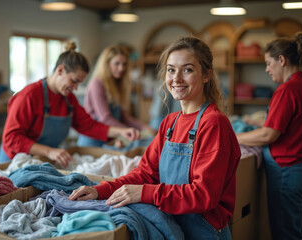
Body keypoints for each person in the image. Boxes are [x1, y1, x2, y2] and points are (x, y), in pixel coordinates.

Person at [69, 36, 241, 239]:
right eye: (171, 69)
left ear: (206, 75)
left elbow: (204, 196)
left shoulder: (213, 123)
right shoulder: (170, 122)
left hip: (203, 232)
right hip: (173, 227)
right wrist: (101, 190)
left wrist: (144, 193)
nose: (176, 78)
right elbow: (144, 174)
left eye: (187, 69)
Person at [0, 42, 140, 166]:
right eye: (74, 81)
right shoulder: (28, 96)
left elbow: (88, 126)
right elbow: (11, 138)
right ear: (60, 70)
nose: (76, 88)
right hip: (14, 162)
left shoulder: (68, 99)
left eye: (79, 83)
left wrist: (120, 131)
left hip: (40, 160)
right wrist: (49, 151)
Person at [236, 32, 302, 240]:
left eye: (268, 63)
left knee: (286, 233)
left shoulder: (287, 90)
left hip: (286, 169)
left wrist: (232, 137)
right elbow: (292, 123)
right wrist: (258, 122)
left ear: (282, 60)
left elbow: (268, 135)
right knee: (296, 228)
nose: (266, 69)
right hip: (299, 166)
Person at [77, 45, 156, 148]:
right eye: (117, 64)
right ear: (106, 64)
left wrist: (144, 127)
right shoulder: (97, 83)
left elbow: (123, 117)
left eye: (124, 64)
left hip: (109, 140)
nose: (121, 68)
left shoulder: (116, 85)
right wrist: (129, 131)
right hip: (92, 142)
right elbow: (105, 118)